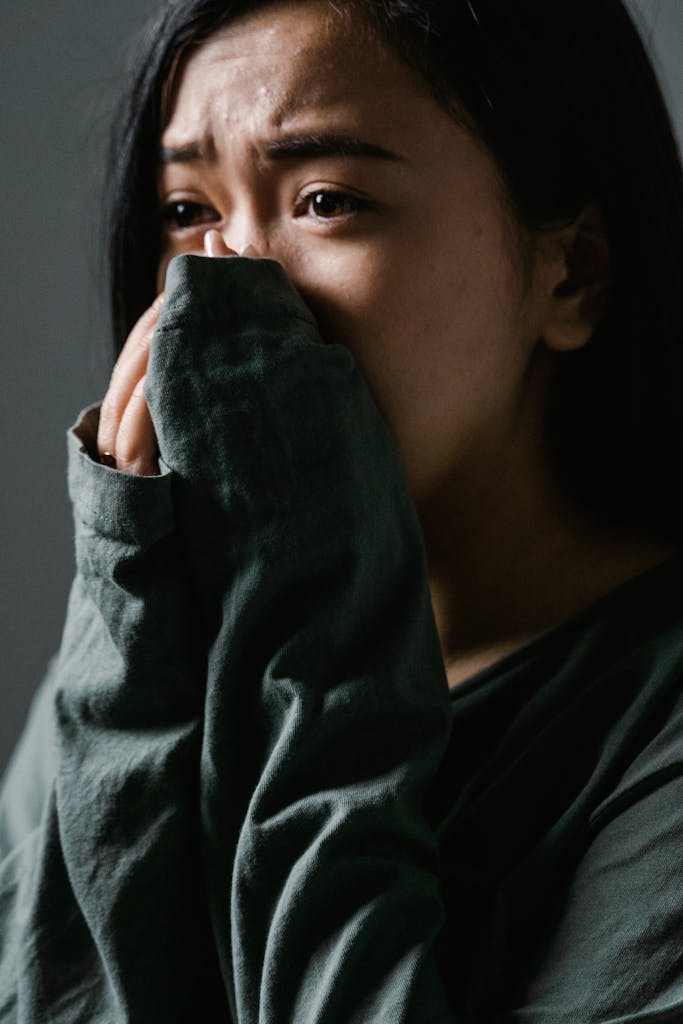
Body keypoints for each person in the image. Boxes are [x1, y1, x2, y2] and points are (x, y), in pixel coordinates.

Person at [0, 0, 681, 1020]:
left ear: (571, 271)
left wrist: (315, 637)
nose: (219, 291)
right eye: (187, 213)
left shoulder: (652, 724)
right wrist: (130, 620)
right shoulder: (133, 658)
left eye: (324, 201)